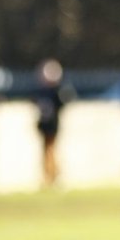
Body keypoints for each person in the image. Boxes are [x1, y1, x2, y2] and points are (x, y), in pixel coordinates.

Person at [33, 58, 71, 187]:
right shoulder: (43, 91)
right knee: (47, 150)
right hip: (45, 125)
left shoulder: (55, 91)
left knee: (51, 150)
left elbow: (62, 103)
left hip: (52, 125)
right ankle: (49, 175)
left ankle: (53, 175)